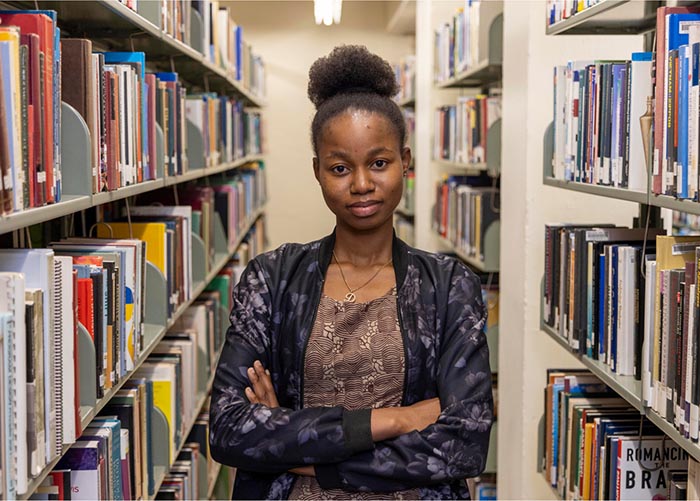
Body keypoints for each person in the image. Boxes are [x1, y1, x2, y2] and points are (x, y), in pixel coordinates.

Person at [209, 45, 493, 500]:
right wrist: (395, 419)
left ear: (406, 162)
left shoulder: (448, 284)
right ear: (318, 171)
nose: (361, 183)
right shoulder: (272, 278)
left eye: (379, 163)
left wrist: (300, 452)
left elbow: (463, 442)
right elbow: (229, 429)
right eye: (340, 168)